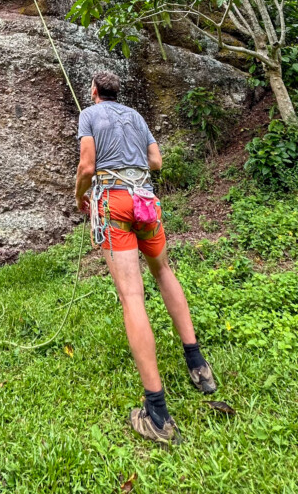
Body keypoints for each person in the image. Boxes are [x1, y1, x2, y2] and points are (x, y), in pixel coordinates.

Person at [75, 70, 216, 446]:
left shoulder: (89, 115)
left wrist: (79, 195)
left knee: (132, 296)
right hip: (146, 201)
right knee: (164, 272)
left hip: (114, 202)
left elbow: (87, 166)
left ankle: (156, 413)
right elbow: (156, 162)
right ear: (118, 93)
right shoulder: (136, 117)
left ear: (94, 92)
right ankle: (198, 366)